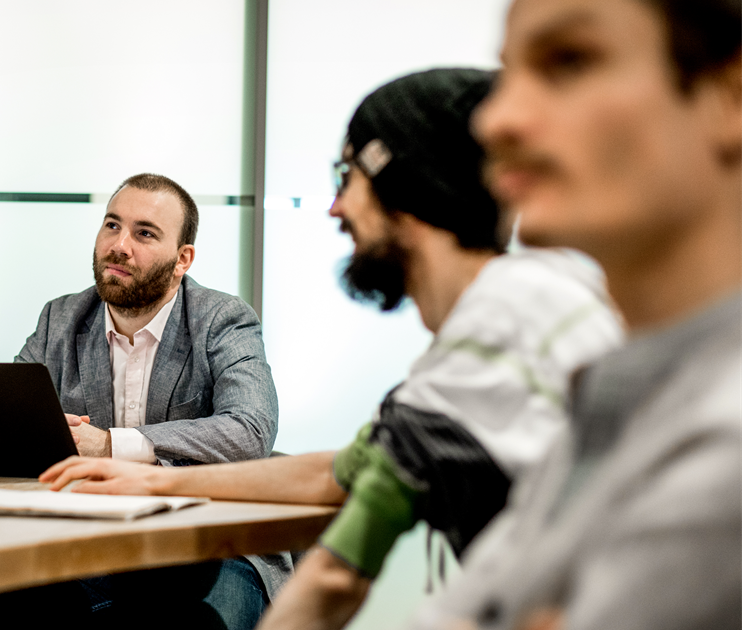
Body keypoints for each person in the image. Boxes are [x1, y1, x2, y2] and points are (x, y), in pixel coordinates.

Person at [40, 69, 623, 630]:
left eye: (346, 177)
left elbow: (337, 575)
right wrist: (157, 481)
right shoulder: (526, 309)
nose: (335, 207)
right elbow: (344, 472)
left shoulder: (501, 327)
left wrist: (143, 468)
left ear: (406, 185)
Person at [403, 1, 742, 629]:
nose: (496, 120)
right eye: (506, 76)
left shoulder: (727, 440)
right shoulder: (616, 390)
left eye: (571, 60)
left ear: (729, 94)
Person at [0, 173, 283, 629]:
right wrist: (36, 431)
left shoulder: (222, 320)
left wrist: (109, 445)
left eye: (144, 233)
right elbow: (7, 418)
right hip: (94, 544)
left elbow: (250, 431)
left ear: (182, 258)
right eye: (112, 225)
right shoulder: (61, 318)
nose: (120, 245)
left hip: (212, 544)